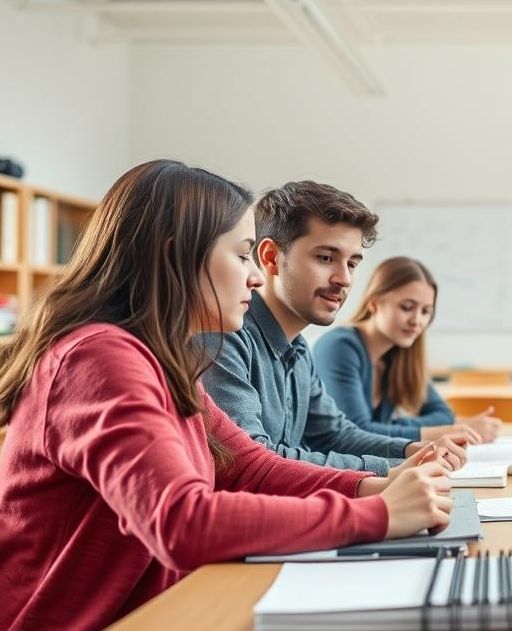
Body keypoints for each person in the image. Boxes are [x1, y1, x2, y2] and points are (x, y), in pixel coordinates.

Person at [0, 161, 456, 631]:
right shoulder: (99, 357)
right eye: (243, 253)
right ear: (178, 255)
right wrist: (377, 517)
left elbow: (248, 466)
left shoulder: (154, 355)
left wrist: (371, 487)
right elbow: (182, 522)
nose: (255, 276)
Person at [201, 181, 473, 476]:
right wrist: (395, 468)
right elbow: (252, 461)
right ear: (271, 258)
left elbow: (335, 435)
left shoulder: (298, 349)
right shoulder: (225, 336)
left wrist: (412, 451)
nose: (344, 279)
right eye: (326, 258)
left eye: (352, 264)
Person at [314, 256, 503, 442]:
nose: (417, 321)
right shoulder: (338, 347)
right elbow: (357, 432)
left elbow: (443, 414)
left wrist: (394, 424)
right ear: (374, 303)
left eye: (426, 311)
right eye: (407, 307)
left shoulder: (399, 352)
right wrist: (448, 431)